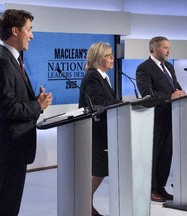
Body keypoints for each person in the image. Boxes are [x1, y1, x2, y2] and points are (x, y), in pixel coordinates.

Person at [0, 9, 53, 216]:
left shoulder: (10, 59)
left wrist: (35, 102)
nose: (31, 35)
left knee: (9, 205)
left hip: (14, 147)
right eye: (29, 29)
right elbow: (7, 109)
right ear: (15, 31)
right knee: (5, 207)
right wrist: (37, 107)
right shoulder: (2, 62)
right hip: (9, 148)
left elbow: (12, 102)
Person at [136, 36, 186, 202]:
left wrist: (180, 93)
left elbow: (175, 86)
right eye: (165, 48)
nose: (168, 51)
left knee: (166, 154)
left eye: (168, 48)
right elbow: (147, 94)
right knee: (155, 153)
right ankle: (151, 188)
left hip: (172, 115)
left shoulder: (169, 66)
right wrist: (170, 96)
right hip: (155, 117)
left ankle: (161, 187)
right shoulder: (144, 68)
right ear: (155, 49)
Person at [78, 42, 121, 216]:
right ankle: (83, 203)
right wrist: (120, 104)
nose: (112, 58)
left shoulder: (101, 76)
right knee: (100, 169)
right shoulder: (93, 76)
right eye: (108, 55)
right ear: (98, 58)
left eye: (111, 55)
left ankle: (85, 204)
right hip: (96, 129)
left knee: (101, 169)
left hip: (104, 128)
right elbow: (96, 103)